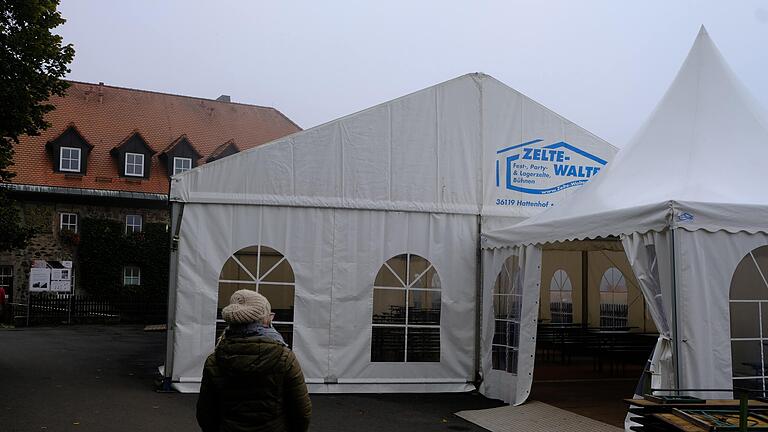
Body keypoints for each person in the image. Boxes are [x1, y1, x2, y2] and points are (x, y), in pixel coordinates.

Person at [197, 289, 311, 432]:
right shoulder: (285, 357)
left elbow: (205, 412)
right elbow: (301, 411)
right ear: (264, 319)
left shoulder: (214, 360)